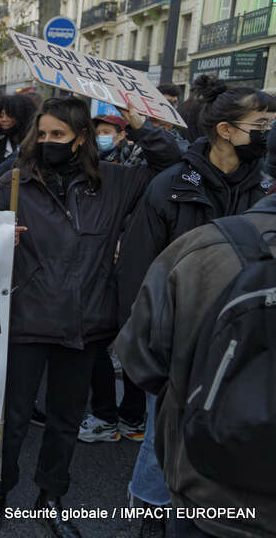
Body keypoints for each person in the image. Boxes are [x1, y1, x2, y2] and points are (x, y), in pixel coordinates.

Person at [0, 97, 180, 538]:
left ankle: (51, 498)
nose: (48, 142)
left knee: (66, 421)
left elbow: (172, 164)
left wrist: (141, 126)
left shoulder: (116, 182)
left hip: (84, 323)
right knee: (10, 417)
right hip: (24, 318)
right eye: (42, 134)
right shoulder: (13, 181)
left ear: (81, 138)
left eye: (58, 135)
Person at [115, 82, 275, 538]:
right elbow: (138, 271)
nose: (268, 134)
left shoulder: (264, 186)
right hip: (179, 336)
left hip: (248, 335)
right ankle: (150, 515)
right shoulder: (169, 186)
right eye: (261, 125)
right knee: (161, 436)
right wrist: (141, 347)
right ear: (225, 130)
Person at [0, 94, 37, 180]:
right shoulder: (1, 144)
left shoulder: (33, 145)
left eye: (9, 115)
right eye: (1, 116)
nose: (3, 119)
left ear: (22, 116)